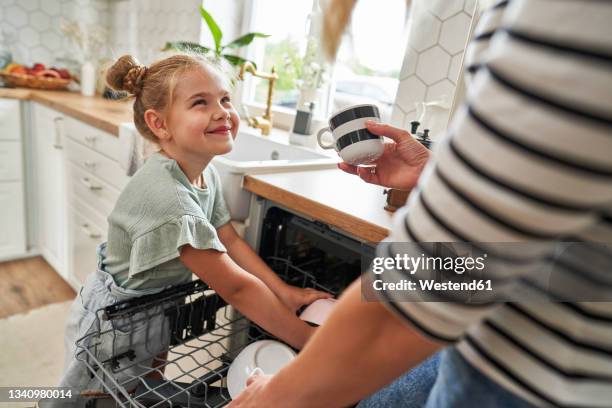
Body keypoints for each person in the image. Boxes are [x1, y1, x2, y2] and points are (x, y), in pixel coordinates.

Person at [229, 0, 612, 406]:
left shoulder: (567, 13)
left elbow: (423, 289)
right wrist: (439, 176)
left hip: (534, 377)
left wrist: (274, 396)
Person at [55, 53, 330, 396]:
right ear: (159, 125)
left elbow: (228, 239)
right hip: (114, 320)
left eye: (225, 99)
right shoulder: (169, 198)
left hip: (156, 307)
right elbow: (237, 288)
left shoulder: (205, 175)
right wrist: (308, 341)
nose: (222, 111)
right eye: (200, 102)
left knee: (144, 392)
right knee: (89, 399)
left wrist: (284, 292)